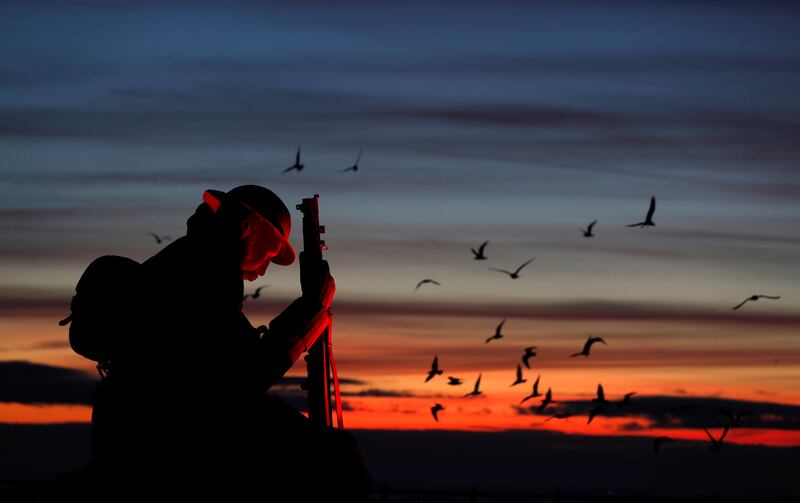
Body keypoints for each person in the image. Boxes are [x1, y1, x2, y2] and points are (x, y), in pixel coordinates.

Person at [59, 185, 371, 501]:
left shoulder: (192, 257)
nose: (264, 269)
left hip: (147, 420)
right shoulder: (207, 266)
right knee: (335, 457)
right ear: (247, 229)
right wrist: (312, 310)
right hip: (173, 427)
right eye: (269, 253)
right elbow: (245, 375)